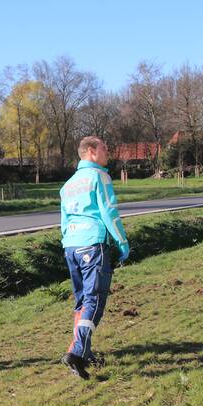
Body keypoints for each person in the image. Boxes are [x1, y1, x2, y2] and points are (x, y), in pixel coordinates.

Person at [59, 136, 130, 380]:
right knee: (94, 301)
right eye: (105, 148)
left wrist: (67, 243)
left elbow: (64, 221)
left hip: (71, 246)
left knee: (81, 302)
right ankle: (77, 352)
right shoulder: (100, 177)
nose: (108, 152)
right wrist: (122, 242)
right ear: (91, 151)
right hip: (92, 243)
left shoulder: (68, 184)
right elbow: (109, 211)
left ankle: (82, 350)